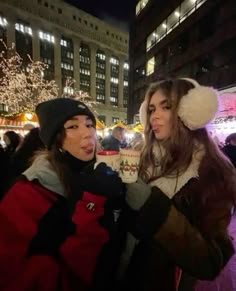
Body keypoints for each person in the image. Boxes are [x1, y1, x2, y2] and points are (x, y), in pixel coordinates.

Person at [120, 78, 236, 291]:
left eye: (166, 106)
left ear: (191, 111)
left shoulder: (213, 171)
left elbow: (211, 260)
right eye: (152, 108)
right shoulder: (142, 157)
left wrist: (153, 209)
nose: (154, 116)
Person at [0, 98, 125, 291]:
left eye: (89, 124)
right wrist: (92, 205)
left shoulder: (96, 173)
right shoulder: (27, 194)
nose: (87, 133)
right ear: (56, 138)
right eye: (73, 126)